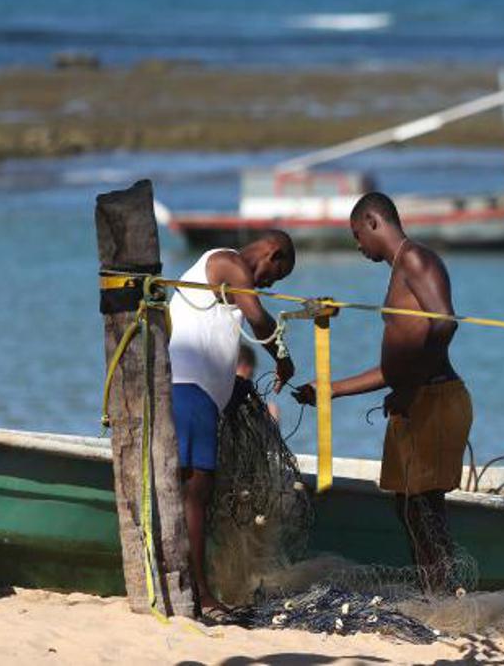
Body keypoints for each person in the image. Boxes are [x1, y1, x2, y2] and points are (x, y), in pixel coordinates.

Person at [295, 192, 471, 592]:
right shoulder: (399, 271)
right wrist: (332, 390)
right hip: (416, 399)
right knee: (409, 506)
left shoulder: (415, 260)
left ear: (374, 221)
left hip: (435, 399)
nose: (358, 247)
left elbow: (445, 323)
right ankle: (436, 593)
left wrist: (408, 389)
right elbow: (396, 366)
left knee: (424, 506)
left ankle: (443, 595)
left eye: (358, 236)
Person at [168, 233, 296, 619]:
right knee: (195, 492)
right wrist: (282, 357)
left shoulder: (229, 286)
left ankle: (192, 586)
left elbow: (211, 339)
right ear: (271, 253)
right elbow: (259, 319)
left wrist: (235, 387)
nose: (269, 284)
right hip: (187, 393)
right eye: (275, 275)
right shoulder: (226, 261)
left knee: (197, 492)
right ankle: (200, 594)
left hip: (198, 395)